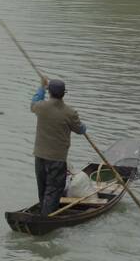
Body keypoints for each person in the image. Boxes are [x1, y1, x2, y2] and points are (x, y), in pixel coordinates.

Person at [31, 76, 86, 216]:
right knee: (54, 188)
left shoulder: (40, 107)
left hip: (39, 156)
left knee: (43, 187)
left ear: (49, 92)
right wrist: (84, 127)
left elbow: (34, 101)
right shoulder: (70, 113)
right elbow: (80, 130)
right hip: (57, 158)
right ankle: (46, 218)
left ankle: (43, 212)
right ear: (63, 94)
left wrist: (42, 86)